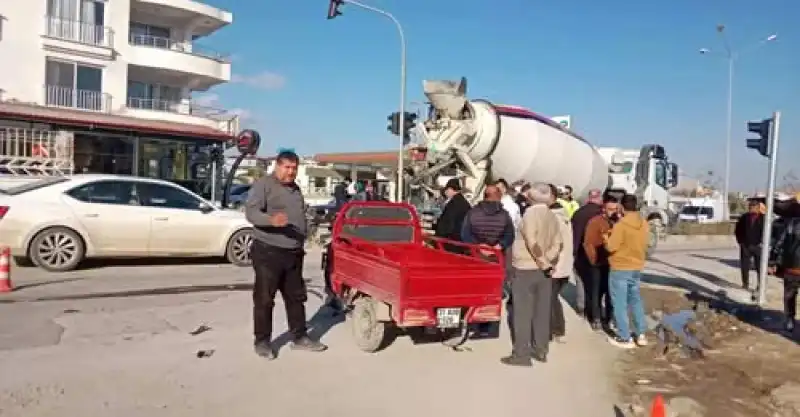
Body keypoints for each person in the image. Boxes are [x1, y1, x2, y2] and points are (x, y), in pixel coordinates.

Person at [245, 150, 328, 360]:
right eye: (287, 167)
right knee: (265, 299)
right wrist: (271, 220)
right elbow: (251, 213)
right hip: (268, 251)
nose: (291, 172)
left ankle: (299, 337)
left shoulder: (295, 189)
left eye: (294, 168)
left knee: (296, 298)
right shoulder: (264, 185)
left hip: (293, 253)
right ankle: (262, 341)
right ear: (277, 166)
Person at [501, 183, 562, 367]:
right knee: (542, 312)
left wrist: (542, 261)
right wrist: (548, 263)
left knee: (522, 313)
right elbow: (558, 243)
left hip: (526, 267)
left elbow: (531, 240)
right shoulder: (552, 215)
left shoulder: (530, 214)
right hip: (544, 271)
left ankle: (522, 354)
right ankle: (541, 349)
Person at [462, 185, 516, 336]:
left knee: (476, 289)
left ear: (484, 195)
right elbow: (510, 236)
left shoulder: (472, 213)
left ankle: (474, 322)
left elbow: (465, 234)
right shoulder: (504, 215)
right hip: (496, 257)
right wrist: (498, 246)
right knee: (493, 291)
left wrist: (479, 245)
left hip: (476, 257)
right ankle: (488, 326)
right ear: (498, 196)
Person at [603, 194, 650, 349]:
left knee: (620, 303)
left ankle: (624, 337)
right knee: (635, 299)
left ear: (622, 207)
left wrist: (606, 238)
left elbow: (611, 247)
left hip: (620, 267)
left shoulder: (621, 225)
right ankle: (641, 333)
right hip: (637, 266)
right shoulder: (644, 223)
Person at [582, 195, 619, 331]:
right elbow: (588, 243)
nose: (613, 212)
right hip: (598, 262)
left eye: (615, 209)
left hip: (613, 263)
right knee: (596, 292)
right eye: (610, 209)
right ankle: (596, 317)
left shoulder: (617, 223)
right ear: (603, 208)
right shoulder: (595, 222)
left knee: (611, 292)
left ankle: (608, 317)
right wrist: (593, 260)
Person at [571, 189, 604, 318]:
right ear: (599, 198)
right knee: (595, 282)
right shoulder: (601, 214)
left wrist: (573, 251)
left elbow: (573, 232)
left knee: (580, 279)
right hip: (597, 252)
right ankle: (595, 308)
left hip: (579, 251)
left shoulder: (578, 213)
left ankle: (581, 306)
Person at [547, 184, 573, 343]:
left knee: (548, 299)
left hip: (554, 266)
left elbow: (554, 245)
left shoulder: (552, 218)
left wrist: (547, 264)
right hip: (564, 266)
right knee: (552, 298)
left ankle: (551, 330)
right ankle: (557, 329)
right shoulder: (563, 216)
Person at [768, 215, 800, 332]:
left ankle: (789, 319)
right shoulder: (791, 223)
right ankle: (789, 319)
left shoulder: (792, 223)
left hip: (792, 266)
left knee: (789, 295)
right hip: (793, 266)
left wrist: (772, 261)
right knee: (789, 294)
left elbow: (778, 244)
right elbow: (779, 243)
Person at [735, 200, 765, 295]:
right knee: (744, 266)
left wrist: (763, 243)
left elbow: (768, 233)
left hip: (758, 246)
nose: (751, 208)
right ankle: (745, 283)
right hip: (745, 246)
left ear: (758, 208)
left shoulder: (763, 219)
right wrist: (741, 242)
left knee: (760, 267)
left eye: (753, 207)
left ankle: (760, 285)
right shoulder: (744, 217)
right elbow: (737, 230)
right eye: (750, 207)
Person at [434, 178, 471, 243]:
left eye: (446, 189)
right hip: (463, 240)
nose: (446, 192)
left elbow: (447, 225)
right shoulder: (464, 202)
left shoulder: (453, 204)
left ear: (450, 189)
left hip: (452, 242)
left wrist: (435, 238)